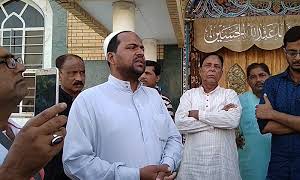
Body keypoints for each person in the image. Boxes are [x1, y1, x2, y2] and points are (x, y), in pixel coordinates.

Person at [62, 31, 182, 180]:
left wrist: (167, 166)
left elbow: (174, 138)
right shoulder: (88, 101)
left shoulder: (154, 97)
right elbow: (75, 162)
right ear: (111, 57)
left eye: (141, 48)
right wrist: (135, 175)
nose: (140, 52)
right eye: (132, 47)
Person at [256, 26, 300, 179]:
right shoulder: (272, 84)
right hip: (279, 167)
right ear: (284, 51)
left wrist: (274, 114)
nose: (298, 57)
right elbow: (265, 126)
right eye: (292, 52)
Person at [0, 47, 67, 179]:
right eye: (7, 62)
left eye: (14, 60)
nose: (21, 67)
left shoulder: (16, 133)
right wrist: (15, 171)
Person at [175, 52, 242, 180]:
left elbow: (232, 121)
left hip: (223, 165)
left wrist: (197, 114)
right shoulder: (189, 95)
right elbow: (180, 124)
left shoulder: (229, 94)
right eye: (208, 65)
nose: (212, 68)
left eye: (217, 66)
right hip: (193, 165)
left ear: (221, 73)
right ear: (200, 71)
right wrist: (219, 117)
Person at [44, 54, 85, 180]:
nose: (79, 78)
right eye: (72, 73)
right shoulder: (49, 103)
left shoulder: (88, 101)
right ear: (59, 75)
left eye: (82, 72)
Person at [238, 63, 271, 180]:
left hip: (278, 158)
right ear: (248, 81)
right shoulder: (239, 101)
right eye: (253, 77)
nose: (258, 80)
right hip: (249, 162)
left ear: (269, 77)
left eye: (262, 75)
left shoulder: (279, 99)